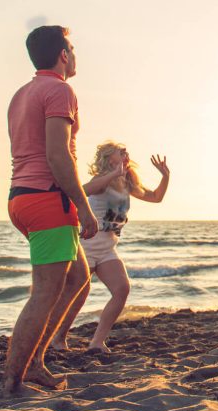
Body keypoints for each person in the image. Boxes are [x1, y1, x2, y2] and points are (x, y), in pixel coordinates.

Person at [2, 25, 98, 397]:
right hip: (46, 198)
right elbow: (58, 155)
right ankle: (12, 380)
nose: (74, 55)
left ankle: (36, 363)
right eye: (71, 48)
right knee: (44, 291)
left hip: (22, 197)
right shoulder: (60, 90)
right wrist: (84, 208)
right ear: (62, 54)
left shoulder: (22, 93)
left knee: (78, 278)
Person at [52, 143, 170, 352]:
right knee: (77, 294)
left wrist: (165, 176)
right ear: (109, 158)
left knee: (121, 289)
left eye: (127, 152)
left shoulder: (127, 182)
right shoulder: (101, 181)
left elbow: (155, 198)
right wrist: (112, 175)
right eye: (121, 152)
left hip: (107, 247)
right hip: (86, 245)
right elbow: (82, 191)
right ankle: (58, 339)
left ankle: (97, 342)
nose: (126, 154)